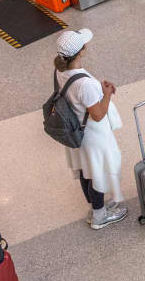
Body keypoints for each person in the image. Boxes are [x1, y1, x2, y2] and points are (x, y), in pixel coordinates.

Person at [51, 28, 127, 229]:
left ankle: (95, 208)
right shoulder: (84, 85)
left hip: (76, 130)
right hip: (92, 135)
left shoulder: (60, 71)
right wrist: (107, 93)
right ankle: (100, 216)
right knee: (97, 173)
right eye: (84, 45)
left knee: (86, 170)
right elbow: (98, 115)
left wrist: (98, 90)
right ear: (80, 52)